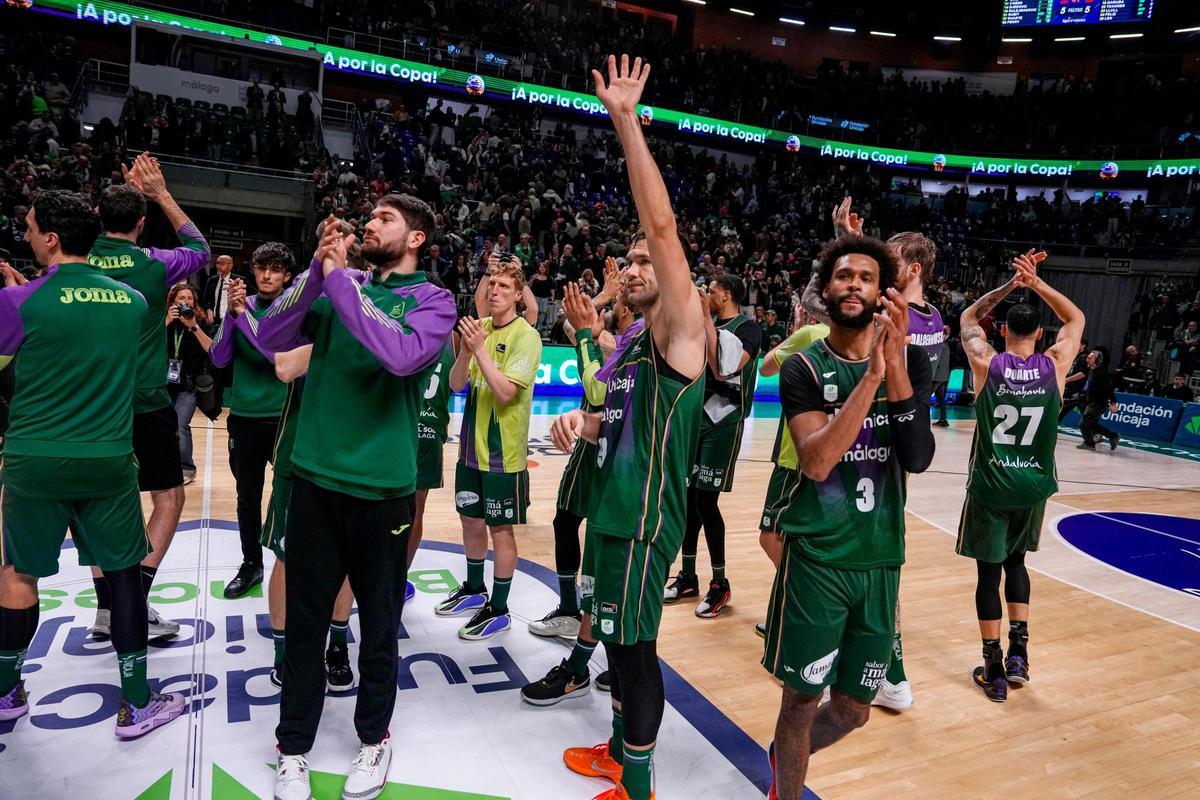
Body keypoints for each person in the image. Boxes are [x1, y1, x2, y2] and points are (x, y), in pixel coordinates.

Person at [259, 197, 455, 800]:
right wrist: (316, 273)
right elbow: (270, 333)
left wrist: (341, 281)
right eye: (368, 217)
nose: (369, 223)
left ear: (416, 237)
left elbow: (398, 356)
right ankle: (293, 748)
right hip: (315, 479)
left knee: (377, 627)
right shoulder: (338, 284)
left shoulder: (433, 301)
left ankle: (374, 739)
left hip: (383, 491)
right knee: (305, 625)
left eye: (385, 219)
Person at [554, 55, 707, 800]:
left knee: (637, 651)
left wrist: (625, 120)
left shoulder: (684, 332)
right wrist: (578, 423)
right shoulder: (632, 345)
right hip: (614, 514)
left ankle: (639, 784)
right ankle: (619, 749)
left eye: (648, 261)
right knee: (615, 639)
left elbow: (663, 222)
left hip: (645, 525)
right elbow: (611, 419)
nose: (637, 265)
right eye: (632, 261)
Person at [0, 190, 186, 737]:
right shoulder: (131, 301)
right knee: (124, 574)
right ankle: (136, 705)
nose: (27, 234)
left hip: (33, 458)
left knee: (18, 572)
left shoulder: (17, 303)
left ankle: (7, 691)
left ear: (52, 239)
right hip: (107, 457)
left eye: (32, 227)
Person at [763, 234, 934, 799]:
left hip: (882, 560)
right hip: (818, 559)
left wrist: (895, 367)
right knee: (801, 699)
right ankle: (786, 785)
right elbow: (815, 461)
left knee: (856, 710)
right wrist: (870, 381)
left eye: (864, 277)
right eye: (842, 276)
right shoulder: (802, 367)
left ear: (882, 292)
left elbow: (917, 457)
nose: (853, 284)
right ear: (826, 291)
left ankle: (784, 756)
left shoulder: (908, 361)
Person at [87, 153, 211, 642]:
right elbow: (199, 246)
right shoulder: (156, 264)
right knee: (169, 497)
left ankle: (105, 609)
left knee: (97, 504)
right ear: (141, 223)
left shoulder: (74, 260)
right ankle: (133, 602)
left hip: (91, 405)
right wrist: (159, 192)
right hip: (144, 399)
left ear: (98, 217)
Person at [830, 198, 944, 711]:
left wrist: (843, 239)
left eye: (889, 259)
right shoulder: (930, 314)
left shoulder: (907, 323)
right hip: (887, 438)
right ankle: (877, 661)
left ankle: (889, 671)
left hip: (884, 443)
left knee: (876, 566)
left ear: (911, 269)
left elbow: (839, 306)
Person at [956, 250, 1084, 702]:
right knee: (1017, 565)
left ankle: (992, 667)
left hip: (991, 485)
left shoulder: (986, 362)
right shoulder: (1056, 364)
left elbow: (969, 316)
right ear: (1041, 333)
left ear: (1004, 330)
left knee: (988, 575)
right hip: (1033, 487)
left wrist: (1011, 284)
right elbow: (1076, 319)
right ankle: (1019, 655)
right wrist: (1036, 283)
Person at [521, 273, 639, 707]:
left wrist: (590, 330)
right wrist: (602, 296)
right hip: (596, 435)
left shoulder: (628, 343)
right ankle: (587, 636)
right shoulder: (620, 339)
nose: (611, 305)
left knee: (604, 556)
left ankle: (594, 653)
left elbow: (594, 377)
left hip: (612, 449)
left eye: (616, 302)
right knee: (574, 529)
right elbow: (572, 326)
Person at [437, 258, 541, 640]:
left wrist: (479, 350)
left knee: (500, 529)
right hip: (469, 451)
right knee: (470, 521)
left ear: (517, 295)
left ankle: (498, 608)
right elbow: (455, 384)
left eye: (502, 286)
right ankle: (473, 588)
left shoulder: (526, 336)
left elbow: (506, 391)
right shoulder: (478, 329)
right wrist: (465, 352)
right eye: (491, 284)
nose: (494, 291)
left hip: (503, 455)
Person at [665, 272, 761, 618]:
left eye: (713, 291)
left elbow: (726, 368)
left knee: (706, 501)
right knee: (690, 501)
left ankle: (720, 583)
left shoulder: (748, 329)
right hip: (697, 419)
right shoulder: (702, 325)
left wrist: (704, 319)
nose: (708, 295)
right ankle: (688, 576)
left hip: (724, 420)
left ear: (727, 295)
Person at [208, 243, 295, 600]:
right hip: (244, 417)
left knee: (289, 494)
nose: (266, 275)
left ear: (288, 277)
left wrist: (243, 316)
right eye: (261, 268)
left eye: (274, 269)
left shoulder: (292, 311)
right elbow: (218, 358)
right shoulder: (240, 309)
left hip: (283, 416)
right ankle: (251, 564)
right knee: (247, 498)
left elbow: (274, 353)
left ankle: (291, 561)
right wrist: (230, 317)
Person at [753, 312, 830, 637]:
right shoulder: (855, 339)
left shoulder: (811, 333)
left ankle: (799, 606)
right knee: (803, 538)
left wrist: (795, 333)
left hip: (794, 454)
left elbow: (766, 367)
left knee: (770, 536)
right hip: (829, 454)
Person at [164, 283, 213, 483]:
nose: (186, 302)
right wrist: (167, 320)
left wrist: (193, 326)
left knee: (180, 423)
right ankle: (167, 465)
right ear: (173, 302)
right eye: (181, 298)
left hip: (188, 385)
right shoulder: (163, 321)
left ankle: (187, 467)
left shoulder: (200, 322)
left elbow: (211, 348)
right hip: (163, 383)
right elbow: (146, 344)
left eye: (189, 298)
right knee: (164, 425)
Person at [1079, 348, 1120, 451]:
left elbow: (1109, 389)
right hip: (1092, 401)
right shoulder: (1092, 370)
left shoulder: (1101, 373)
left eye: (1090, 358)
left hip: (1098, 403)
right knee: (1092, 424)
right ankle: (1113, 436)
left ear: (1097, 360)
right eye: (1088, 357)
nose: (1087, 359)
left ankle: (1089, 443)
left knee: (1084, 423)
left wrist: (1113, 403)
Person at [1058, 337, 1089, 422]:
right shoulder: (1077, 356)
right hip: (1072, 391)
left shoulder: (1084, 357)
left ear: (1083, 346)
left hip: (1078, 392)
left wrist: (1067, 379)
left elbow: (1083, 374)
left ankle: (1104, 434)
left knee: (1088, 419)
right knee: (1060, 413)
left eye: (1078, 343)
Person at [931, 325, 951, 427]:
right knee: (941, 400)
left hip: (937, 377)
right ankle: (943, 419)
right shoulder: (945, 345)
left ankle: (922, 420)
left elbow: (938, 362)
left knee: (924, 398)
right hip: (943, 376)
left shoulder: (941, 345)